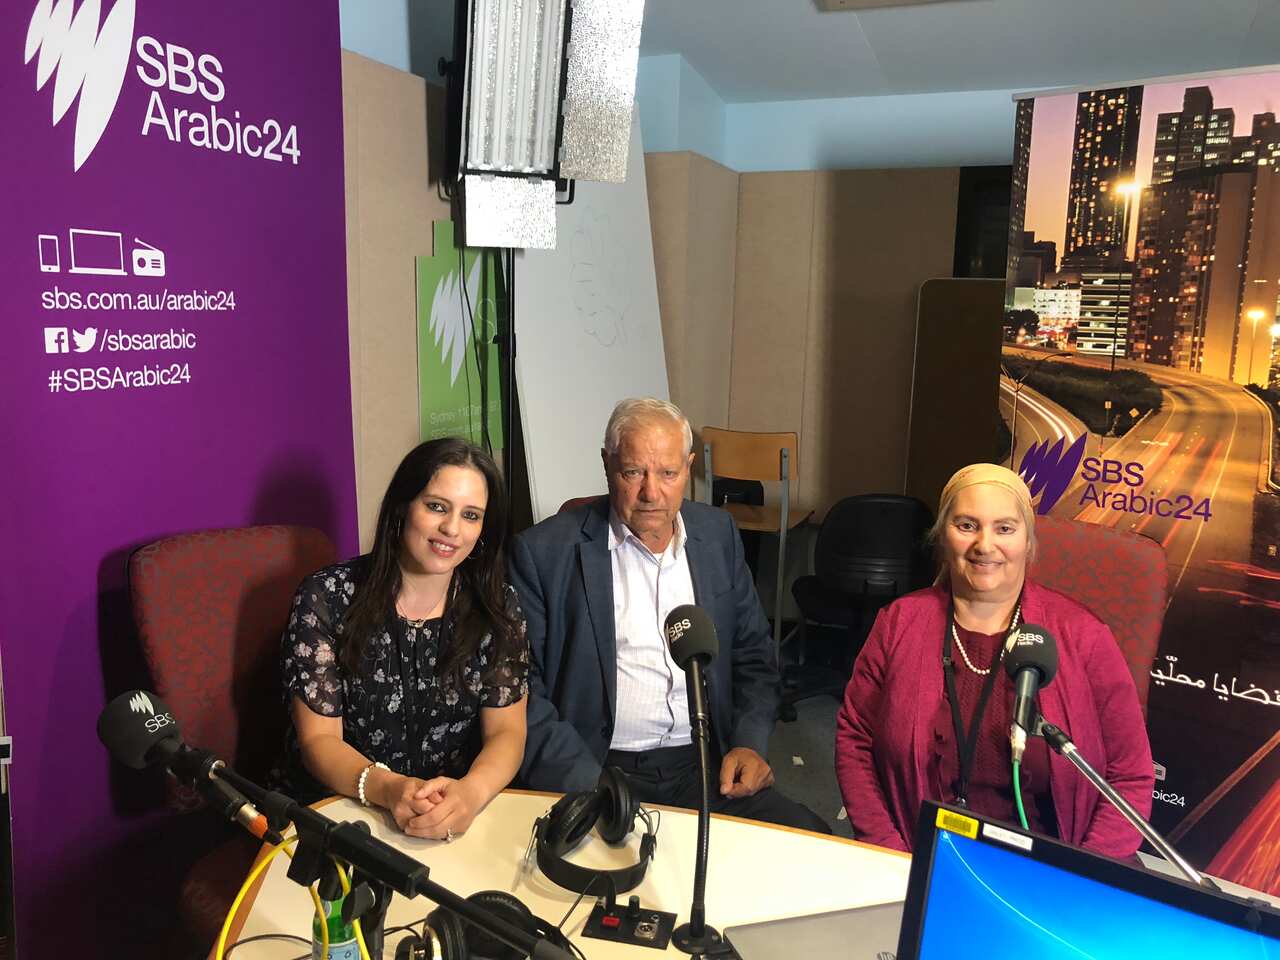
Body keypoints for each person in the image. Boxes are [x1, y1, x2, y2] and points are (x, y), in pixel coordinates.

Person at [510, 397, 829, 833]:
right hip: (597, 767)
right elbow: (520, 692)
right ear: (607, 465)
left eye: (668, 473)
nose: (651, 493)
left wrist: (749, 744)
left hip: (702, 763)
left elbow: (755, 657)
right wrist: (584, 782)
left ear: (689, 467)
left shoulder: (718, 536)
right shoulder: (543, 553)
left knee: (812, 842)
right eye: (632, 472)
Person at [834, 463, 1153, 858]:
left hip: (1050, 869)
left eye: (1005, 528)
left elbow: (1130, 776)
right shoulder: (899, 622)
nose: (985, 545)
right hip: (920, 857)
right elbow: (856, 740)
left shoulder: (1084, 636)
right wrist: (890, 854)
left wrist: (1078, 875)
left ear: (1028, 540)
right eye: (967, 525)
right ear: (942, 535)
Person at [277, 438, 528, 840]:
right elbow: (319, 740)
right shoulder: (326, 597)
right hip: (341, 810)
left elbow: (507, 732)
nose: (452, 529)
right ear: (402, 507)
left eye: (471, 515)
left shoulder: (497, 605)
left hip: (452, 813)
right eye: (436, 506)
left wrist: (471, 794)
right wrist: (389, 788)